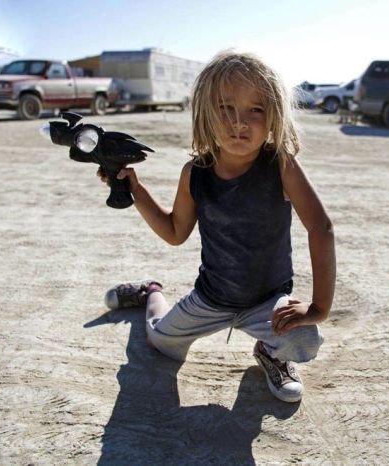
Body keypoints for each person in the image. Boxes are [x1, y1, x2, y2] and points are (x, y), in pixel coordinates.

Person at [97, 50, 335, 403]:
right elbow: (175, 232)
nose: (240, 122)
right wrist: (135, 188)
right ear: (205, 113)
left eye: (256, 109)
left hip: (266, 301)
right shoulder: (194, 174)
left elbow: (321, 228)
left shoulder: (280, 166)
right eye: (226, 108)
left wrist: (319, 308)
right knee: (158, 342)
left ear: (274, 117)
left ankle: (270, 352)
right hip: (209, 299)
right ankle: (151, 292)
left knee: (303, 338)